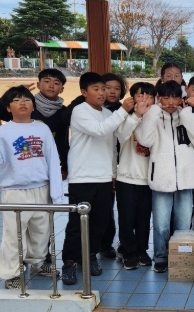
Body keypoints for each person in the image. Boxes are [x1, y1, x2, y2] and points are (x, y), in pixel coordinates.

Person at [61, 72, 148, 285]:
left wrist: (113, 174)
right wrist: (123, 111)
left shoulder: (107, 113)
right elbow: (100, 131)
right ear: (84, 92)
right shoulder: (80, 111)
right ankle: (70, 262)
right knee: (77, 223)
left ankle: (90, 255)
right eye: (97, 89)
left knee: (100, 221)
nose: (102, 93)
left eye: (104, 89)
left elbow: (112, 146)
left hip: (104, 177)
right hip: (82, 176)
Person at [0, 86, 63, 289]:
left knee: (41, 231)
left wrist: (56, 191)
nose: (23, 103)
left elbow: (52, 159)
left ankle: (37, 264)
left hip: (41, 187)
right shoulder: (1, 131)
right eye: (16, 100)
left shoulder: (42, 129)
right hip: (14, 190)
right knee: (14, 234)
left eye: (26, 100)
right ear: (8, 108)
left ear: (33, 105)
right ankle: (12, 273)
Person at [134, 80, 194, 273]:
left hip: (186, 177)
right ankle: (160, 257)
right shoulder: (153, 116)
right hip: (161, 178)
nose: (171, 102)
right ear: (159, 98)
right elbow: (145, 140)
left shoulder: (186, 115)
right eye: (166, 98)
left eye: (175, 98)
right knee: (161, 224)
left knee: (183, 223)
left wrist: (186, 114)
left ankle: (181, 258)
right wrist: (152, 113)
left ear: (181, 98)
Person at [0, 68, 69, 178]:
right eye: (47, 81)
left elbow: (62, 142)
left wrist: (64, 167)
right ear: (38, 85)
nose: (51, 85)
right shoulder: (26, 106)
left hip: (45, 165)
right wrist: (14, 94)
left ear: (62, 89)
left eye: (56, 83)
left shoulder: (63, 112)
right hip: (19, 163)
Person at [112, 82, 155, 270]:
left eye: (149, 96)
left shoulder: (156, 119)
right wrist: (136, 115)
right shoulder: (126, 118)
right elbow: (121, 136)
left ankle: (141, 250)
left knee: (144, 219)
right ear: (132, 99)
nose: (145, 100)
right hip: (127, 178)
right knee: (127, 219)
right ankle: (128, 252)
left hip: (149, 180)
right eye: (140, 95)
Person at [98, 73, 130, 259]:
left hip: (122, 165)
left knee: (117, 207)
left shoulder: (125, 110)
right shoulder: (92, 110)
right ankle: (100, 243)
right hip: (101, 165)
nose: (112, 91)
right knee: (103, 207)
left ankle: (109, 243)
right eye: (107, 87)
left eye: (117, 88)